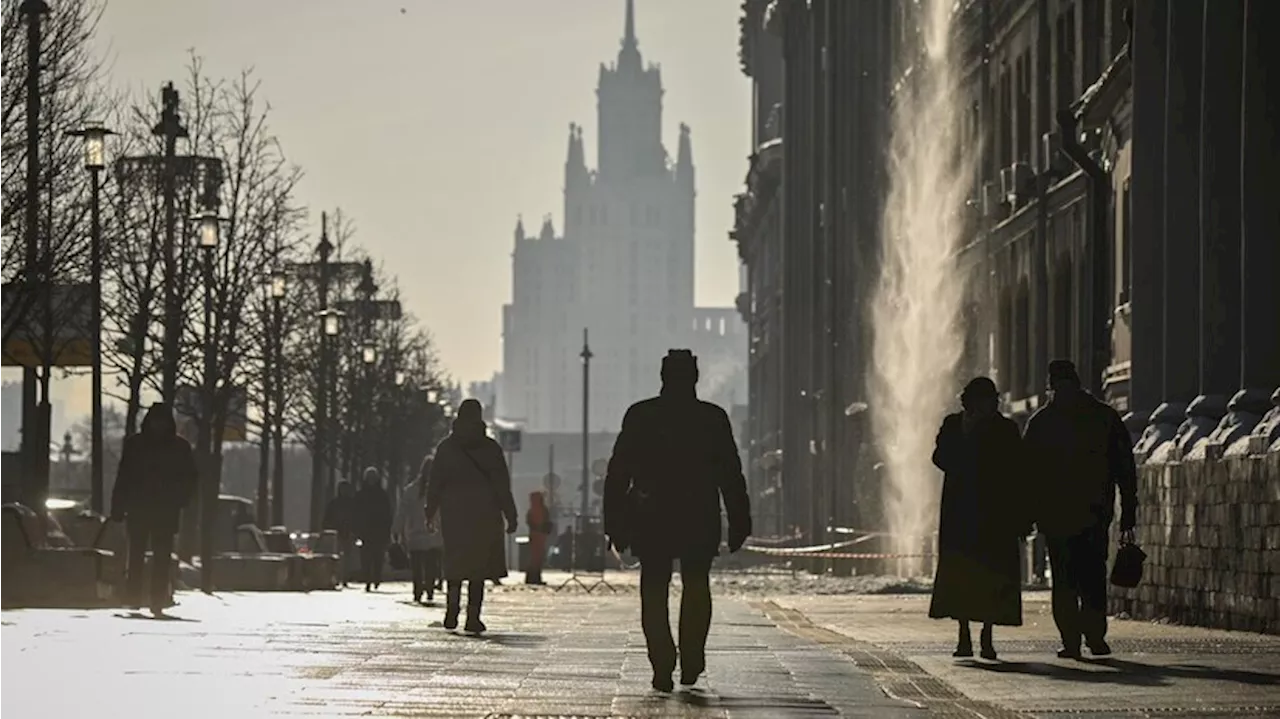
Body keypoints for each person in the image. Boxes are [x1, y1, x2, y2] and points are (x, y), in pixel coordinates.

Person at [603, 349, 752, 692]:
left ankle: (662, 661)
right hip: (698, 514)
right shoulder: (712, 418)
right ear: (695, 378)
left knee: (654, 587)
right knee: (696, 584)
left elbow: (618, 473)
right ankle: (692, 658)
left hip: (651, 515)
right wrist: (740, 518)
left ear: (663, 377)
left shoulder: (641, 415)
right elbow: (731, 473)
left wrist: (615, 523)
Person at [1022, 359, 1139, 659]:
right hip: (1090, 514)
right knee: (1088, 578)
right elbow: (1124, 468)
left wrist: (1027, 516)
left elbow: (1027, 473)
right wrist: (1128, 509)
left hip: (1066, 516)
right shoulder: (1104, 417)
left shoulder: (1042, 422)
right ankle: (1091, 637)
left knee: (1068, 581)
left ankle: (1076, 639)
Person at [929, 377, 1027, 659]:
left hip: (994, 515)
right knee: (961, 574)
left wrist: (1020, 515)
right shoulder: (953, 425)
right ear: (972, 401)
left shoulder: (1005, 428)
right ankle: (963, 635)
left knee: (990, 576)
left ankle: (986, 636)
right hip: (960, 513)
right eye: (988, 399)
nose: (993, 404)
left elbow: (1017, 471)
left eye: (994, 399)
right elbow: (940, 458)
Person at [425, 399, 518, 634]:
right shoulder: (490, 448)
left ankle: (451, 611)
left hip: (454, 514)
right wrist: (510, 513)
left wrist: (430, 510)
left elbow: (435, 482)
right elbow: (501, 484)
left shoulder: (446, 447)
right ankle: (473, 617)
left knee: (455, 563)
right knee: (479, 568)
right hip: (484, 516)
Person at [109, 403, 198, 617]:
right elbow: (124, 476)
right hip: (158, 509)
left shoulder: (137, 444)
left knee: (155, 556)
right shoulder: (178, 447)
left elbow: (125, 476)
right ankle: (146, 598)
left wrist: (119, 505)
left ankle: (147, 598)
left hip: (150, 507)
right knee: (145, 555)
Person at [396, 455, 444, 604]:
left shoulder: (411, 490)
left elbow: (402, 511)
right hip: (433, 534)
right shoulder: (441, 489)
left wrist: (397, 529)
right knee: (431, 565)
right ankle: (429, 589)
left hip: (415, 533)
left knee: (417, 566)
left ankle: (418, 591)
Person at [354, 468, 392, 592]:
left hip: (378, 531)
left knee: (377, 557)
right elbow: (356, 513)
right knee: (366, 557)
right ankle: (368, 578)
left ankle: (376, 576)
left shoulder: (381, 494)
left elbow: (387, 514)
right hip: (366, 531)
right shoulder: (362, 494)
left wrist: (387, 530)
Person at [323, 481, 357, 588]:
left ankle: (344, 577)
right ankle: (338, 577)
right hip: (337, 532)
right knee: (338, 557)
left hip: (346, 532)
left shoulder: (347, 503)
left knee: (346, 557)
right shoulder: (337, 503)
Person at [525, 491, 553, 585]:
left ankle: (531, 578)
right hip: (539, 536)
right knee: (537, 558)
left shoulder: (532, 510)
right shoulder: (543, 510)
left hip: (535, 536)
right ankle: (535, 577)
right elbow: (547, 522)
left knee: (534, 558)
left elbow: (530, 523)